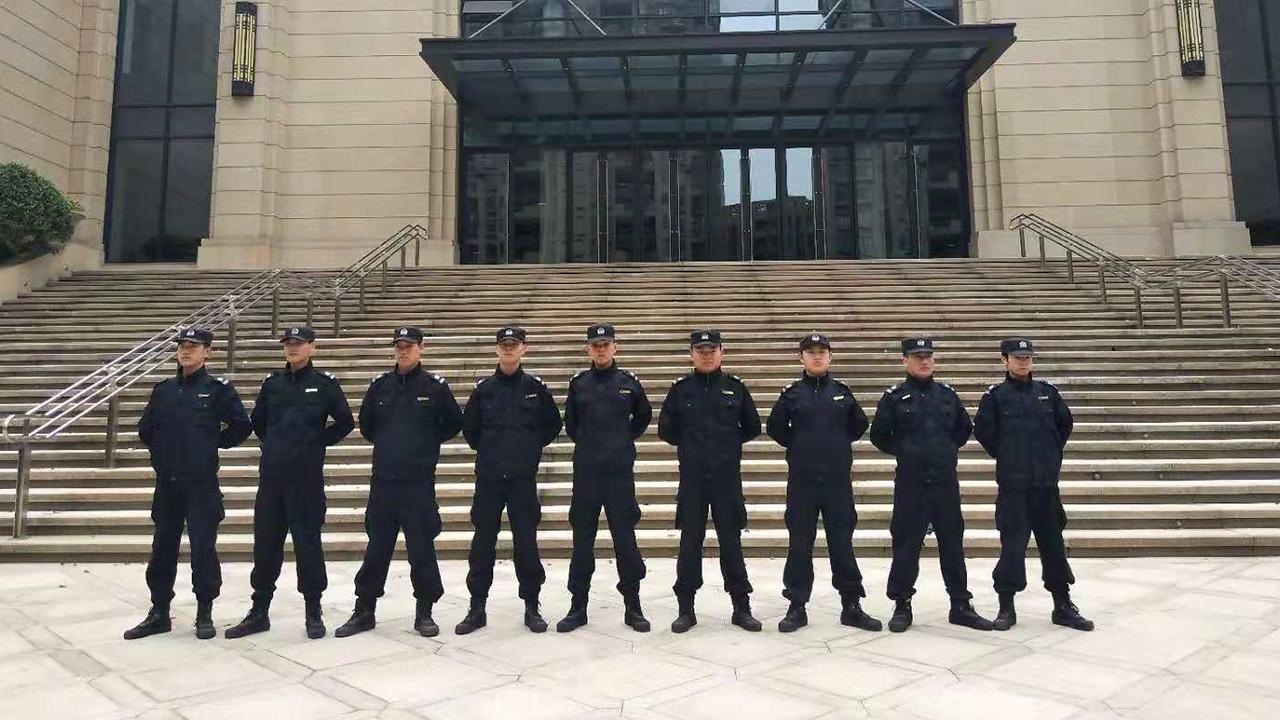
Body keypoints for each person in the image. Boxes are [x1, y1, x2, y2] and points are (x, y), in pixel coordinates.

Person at [225, 325, 354, 640]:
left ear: (312, 347)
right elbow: (258, 422)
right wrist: (276, 447)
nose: (292, 348)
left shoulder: (324, 384)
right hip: (272, 478)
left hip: (306, 479)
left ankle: (313, 611)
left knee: (307, 544)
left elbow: (345, 422)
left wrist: (314, 443)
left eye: (298, 343)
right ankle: (259, 611)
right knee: (265, 544)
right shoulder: (273, 384)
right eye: (288, 344)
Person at [124, 327, 252, 640]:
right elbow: (145, 429)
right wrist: (163, 452)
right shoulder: (164, 390)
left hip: (201, 484)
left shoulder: (218, 389)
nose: (185, 350)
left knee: (203, 548)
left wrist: (211, 444)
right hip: (167, 484)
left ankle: (204, 611)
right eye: (182, 345)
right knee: (162, 549)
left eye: (193, 346)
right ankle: (159, 612)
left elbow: (241, 425)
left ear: (207, 352)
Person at [335, 326, 463, 638]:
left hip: (418, 482)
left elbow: (452, 423)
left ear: (421, 348)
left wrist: (424, 444)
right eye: (399, 346)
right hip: (384, 481)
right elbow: (368, 426)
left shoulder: (435, 387)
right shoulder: (380, 385)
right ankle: (364, 609)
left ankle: (425, 610)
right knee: (377, 548)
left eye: (409, 346)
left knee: (421, 548)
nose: (403, 351)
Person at [869, 337, 992, 633]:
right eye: (917, 357)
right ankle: (902, 604)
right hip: (911, 483)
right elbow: (879, 435)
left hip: (944, 482)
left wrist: (943, 451)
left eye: (928, 356)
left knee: (952, 544)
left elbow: (963, 430)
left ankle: (960, 604)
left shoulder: (947, 395)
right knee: (906, 544)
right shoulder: (894, 397)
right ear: (905, 361)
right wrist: (908, 452)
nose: (924, 361)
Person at [973, 337, 1094, 632]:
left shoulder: (1047, 393)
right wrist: (1011, 456)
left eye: (1027, 357)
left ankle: (1062, 604)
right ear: (1004, 360)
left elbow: (1064, 425)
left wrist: (1049, 455)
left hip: (1046, 487)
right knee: (1012, 547)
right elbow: (985, 434)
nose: (1023, 361)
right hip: (1014, 488)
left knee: (1053, 546)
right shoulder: (995, 397)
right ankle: (1006, 605)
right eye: (1017, 357)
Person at [767, 332, 881, 633]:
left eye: (822, 352)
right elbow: (776, 428)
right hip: (803, 483)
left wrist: (835, 445)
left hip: (837, 482)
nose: (817, 357)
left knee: (842, 544)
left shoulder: (842, 392)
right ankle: (797, 606)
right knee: (799, 545)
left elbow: (858, 424)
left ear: (830, 356)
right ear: (801, 357)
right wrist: (802, 446)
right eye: (811, 352)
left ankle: (851, 605)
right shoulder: (791, 394)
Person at [455, 326, 562, 635]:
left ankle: (531, 605)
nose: (509, 348)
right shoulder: (484, 389)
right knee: (482, 544)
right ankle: (477, 607)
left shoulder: (535, 388)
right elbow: (471, 430)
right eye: (504, 344)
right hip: (489, 479)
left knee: (526, 543)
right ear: (497, 349)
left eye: (514, 344)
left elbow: (552, 425)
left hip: (522, 480)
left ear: (524, 348)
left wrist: (528, 450)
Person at [658, 329, 762, 633]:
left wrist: (725, 449)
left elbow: (752, 426)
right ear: (692, 354)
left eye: (712, 350)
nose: (706, 355)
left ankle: (741, 607)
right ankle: (686, 609)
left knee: (731, 543)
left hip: (726, 480)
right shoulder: (680, 390)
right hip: (692, 480)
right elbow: (666, 430)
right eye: (701, 351)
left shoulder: (735, 388)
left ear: (721, 352)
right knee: (689, 543)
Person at [556, 323, 652, 633]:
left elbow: (643, 417)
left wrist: (621, 440)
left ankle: (633, 606)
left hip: (618, 474)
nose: (600, 349)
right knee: (582, 542)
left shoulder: (629, 383)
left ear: (615, 347)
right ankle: (578, 606)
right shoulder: (579, 384)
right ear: (588, 349)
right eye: (595, 345)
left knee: (625, 541)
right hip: (587, 474)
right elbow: (571, 424)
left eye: (605, 344)